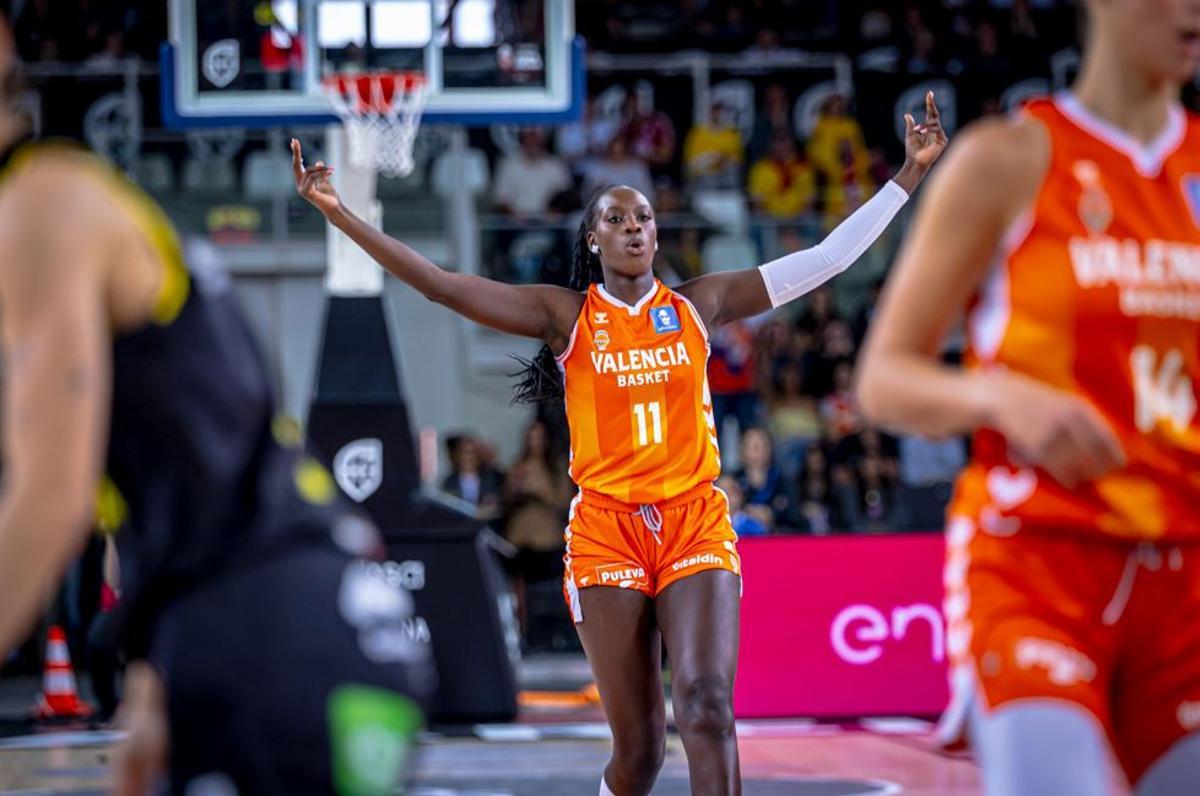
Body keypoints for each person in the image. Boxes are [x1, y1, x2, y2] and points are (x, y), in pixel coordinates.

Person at [291, 91, 946, 794]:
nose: (633, 227)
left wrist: (907, 176)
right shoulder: (565, 316)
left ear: (657, 237)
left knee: (707, 708)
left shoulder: (698, 305)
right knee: (638, 752)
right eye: (615, 219)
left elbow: (826, 258)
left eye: (643, 218)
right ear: (593, 240)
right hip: (606, 532)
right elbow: (445, 287)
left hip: (694, 519)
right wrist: (341, 215)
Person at [0, 11, 433, 794]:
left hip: (282, 632)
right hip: (275, 617)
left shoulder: (43, 202)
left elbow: (52, 502)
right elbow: (184, 475)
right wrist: (152, 669)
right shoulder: (59, 209)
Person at [856, 2, 1200, 793]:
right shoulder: (1007, 159)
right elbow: (883, 379)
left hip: (1184, 573)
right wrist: (1005, 399)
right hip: (1037, 563)